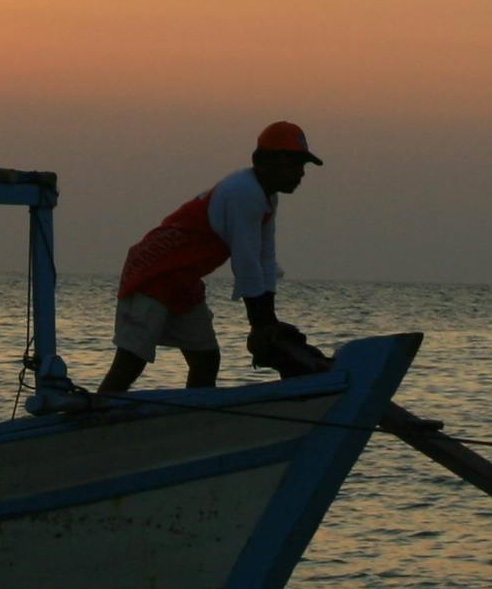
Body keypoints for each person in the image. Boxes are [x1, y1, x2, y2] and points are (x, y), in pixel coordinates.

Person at [95, 122, 335, 394]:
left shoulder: (266, 198)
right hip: (154, 273)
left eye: (302, 165)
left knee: (206, 360)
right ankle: (93, 420)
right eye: (294, 164)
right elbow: (246, 263)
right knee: (131, 362)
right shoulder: (242, 193)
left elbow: (265, 260)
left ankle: (195, 420)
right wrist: (260, 325)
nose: (301, 173)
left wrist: (268, 322)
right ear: (266, 162)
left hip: (184, 281)